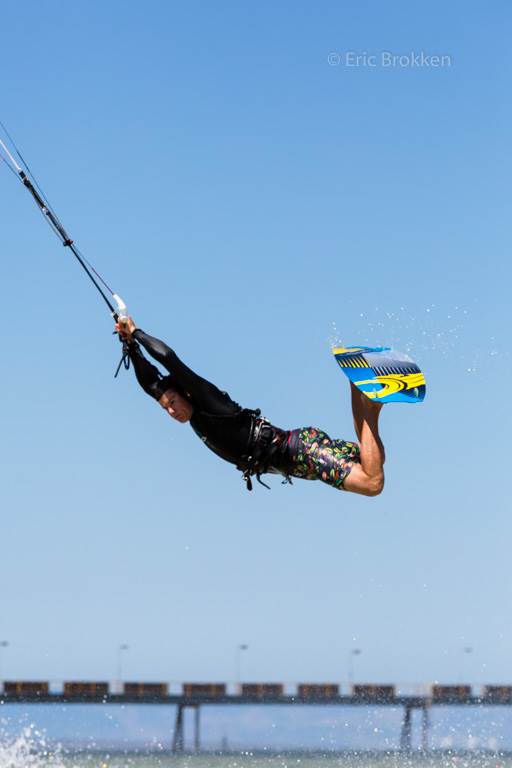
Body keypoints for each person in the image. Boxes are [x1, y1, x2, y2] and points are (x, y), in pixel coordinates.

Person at [116, 318, 385, 495]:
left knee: (372, 482)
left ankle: (365, 397)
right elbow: (150, 383)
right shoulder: (195, 416)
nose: (172, 411)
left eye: (173, 403)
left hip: (304, 451)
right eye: (166, 409)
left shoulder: (208, 400)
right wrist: (130, 346)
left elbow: (168, 358)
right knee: (373, 459)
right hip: (299, 460)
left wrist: (137, 332)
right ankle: (362, 394)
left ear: (185, 393)